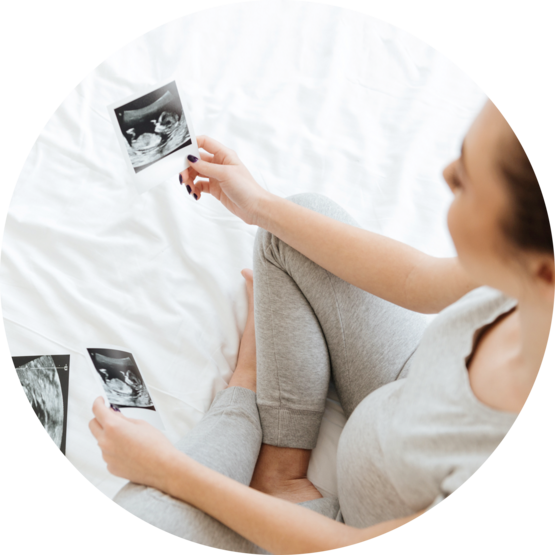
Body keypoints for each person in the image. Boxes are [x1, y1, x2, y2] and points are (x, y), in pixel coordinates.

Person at [89, 98, 553, 554]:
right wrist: (260, 206)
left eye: (466, 182)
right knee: (292, 227)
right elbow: (418, 279)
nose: (445, 175)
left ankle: (247, 389)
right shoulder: (524, 272)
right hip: (405, 389)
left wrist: (166, 468)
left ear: (540, 271)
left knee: (148, 517)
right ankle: (280, 472)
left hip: (346, 531)